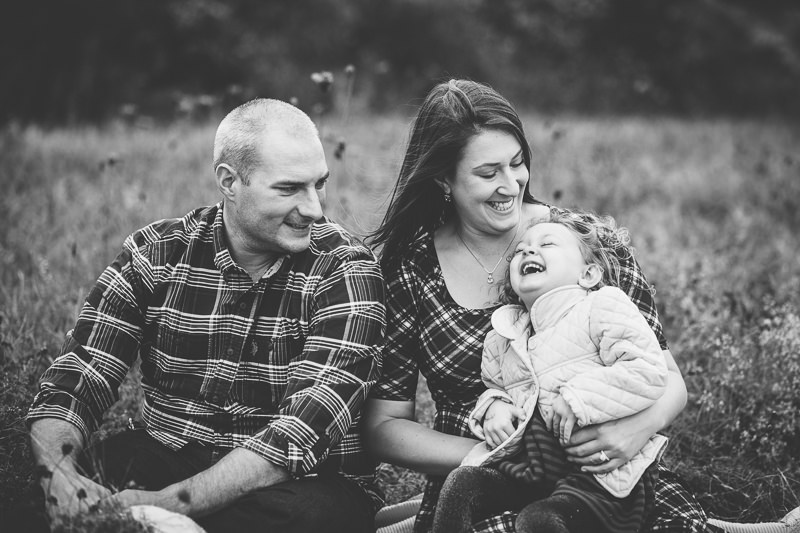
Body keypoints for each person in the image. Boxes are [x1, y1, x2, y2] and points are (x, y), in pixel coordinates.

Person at [364, 79, 711, 533]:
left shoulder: (585, 247)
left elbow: (668, 380)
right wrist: (487, 455)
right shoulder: (410, 268)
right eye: (488, 173)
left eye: (517, 163)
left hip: (602, 477)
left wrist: (634, 430)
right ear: (442, 179)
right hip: (486, 479)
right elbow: (383, 426)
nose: (511, 185)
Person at [27, 98, 386, 533]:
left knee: (310, 519)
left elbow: (300, 430)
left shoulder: (345, 268)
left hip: (298, 485)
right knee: (45, 481)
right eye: (290, 188)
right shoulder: (156, 254)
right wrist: (60, 480)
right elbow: (78, 377)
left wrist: (169, 506)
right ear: (229, 182)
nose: (313, 208)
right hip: (169, 453)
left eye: (319, 184)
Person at [433, 208, 672, 533]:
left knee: (539, 521)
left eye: (547, 244)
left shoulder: (601, 308)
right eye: (521, 250)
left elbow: (648, 370)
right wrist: (495, 408)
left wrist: (579, 396)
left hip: (599, 476)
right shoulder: (504, 335)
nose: (529, 251)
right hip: (533, 471)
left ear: (588, 274)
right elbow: (496, 386)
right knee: (462, 484)